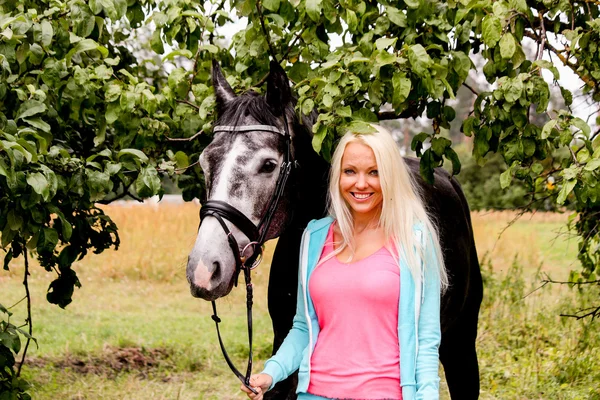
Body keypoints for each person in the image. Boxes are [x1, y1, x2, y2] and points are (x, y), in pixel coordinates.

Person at [241, 124, 448, 400]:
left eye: (374, 172)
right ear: (338, 175)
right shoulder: (314, 237)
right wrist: (271, 373)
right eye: (350, 171)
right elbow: (304, 326)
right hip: (314, 395)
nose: (361, 184)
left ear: (390, 176)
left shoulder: (415, 241)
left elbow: (426, 339)